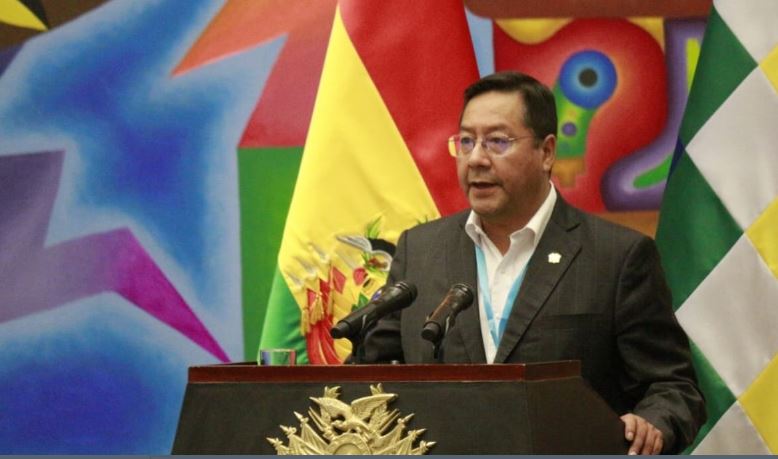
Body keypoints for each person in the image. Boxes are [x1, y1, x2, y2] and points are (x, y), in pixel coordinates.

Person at [360, 71, 705, 454]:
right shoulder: (421, 250)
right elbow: (370, 373)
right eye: (466, 141)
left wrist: (652, 423)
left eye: (497, 141)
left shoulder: (617, 257)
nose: (476, 159)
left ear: (547, 152)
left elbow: (673, 388)